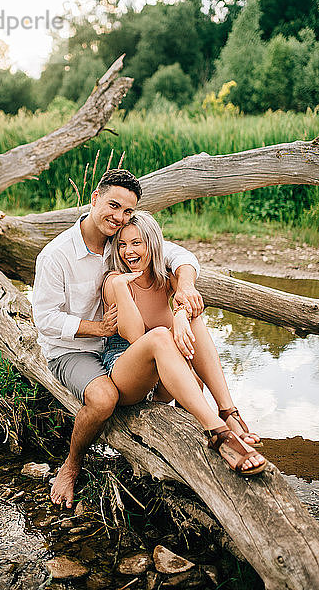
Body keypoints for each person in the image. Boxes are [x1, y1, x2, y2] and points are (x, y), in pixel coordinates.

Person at [32, 169, 204, 508]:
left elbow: (178, 255)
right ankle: (71, 465)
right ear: (95, 198)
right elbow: (45, 319)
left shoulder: (121, 238)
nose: (119, 217)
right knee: (103, 398)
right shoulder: (56, 255)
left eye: (127, 211)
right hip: (72, 350)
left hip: (119, 347)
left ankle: (192, 445)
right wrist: (97, 328)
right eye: (113, 206)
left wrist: (184, 286)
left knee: (191, 379)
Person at [101, 210, 266, 476]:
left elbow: (187, 296)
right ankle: (219, 432)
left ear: (152, 245)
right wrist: (122, 287)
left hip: (163, 374)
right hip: (126, 372)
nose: (128, 252)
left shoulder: (165, 276)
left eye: (136, 243)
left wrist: (180, 315)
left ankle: (228, 410)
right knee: (160, 336)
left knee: (194, 317)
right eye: (122, 244)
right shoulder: (113, 281)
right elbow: (134, 337)